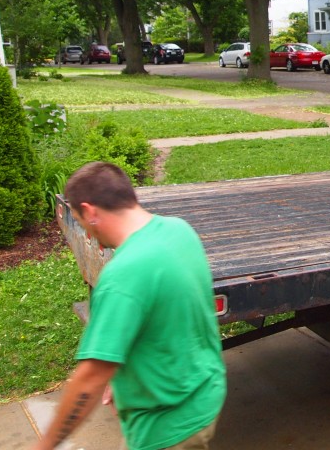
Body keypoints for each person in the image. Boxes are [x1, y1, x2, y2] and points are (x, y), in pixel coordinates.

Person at [32, 161, 226, 450]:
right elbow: (173, 315)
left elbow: (89, 379)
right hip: (205, 396)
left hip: (165, 428)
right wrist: (121, 373)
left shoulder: (123, 274)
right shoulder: (178, 230)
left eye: (80, 220)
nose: (85, 231)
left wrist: (44, 446)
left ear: (91, 212)